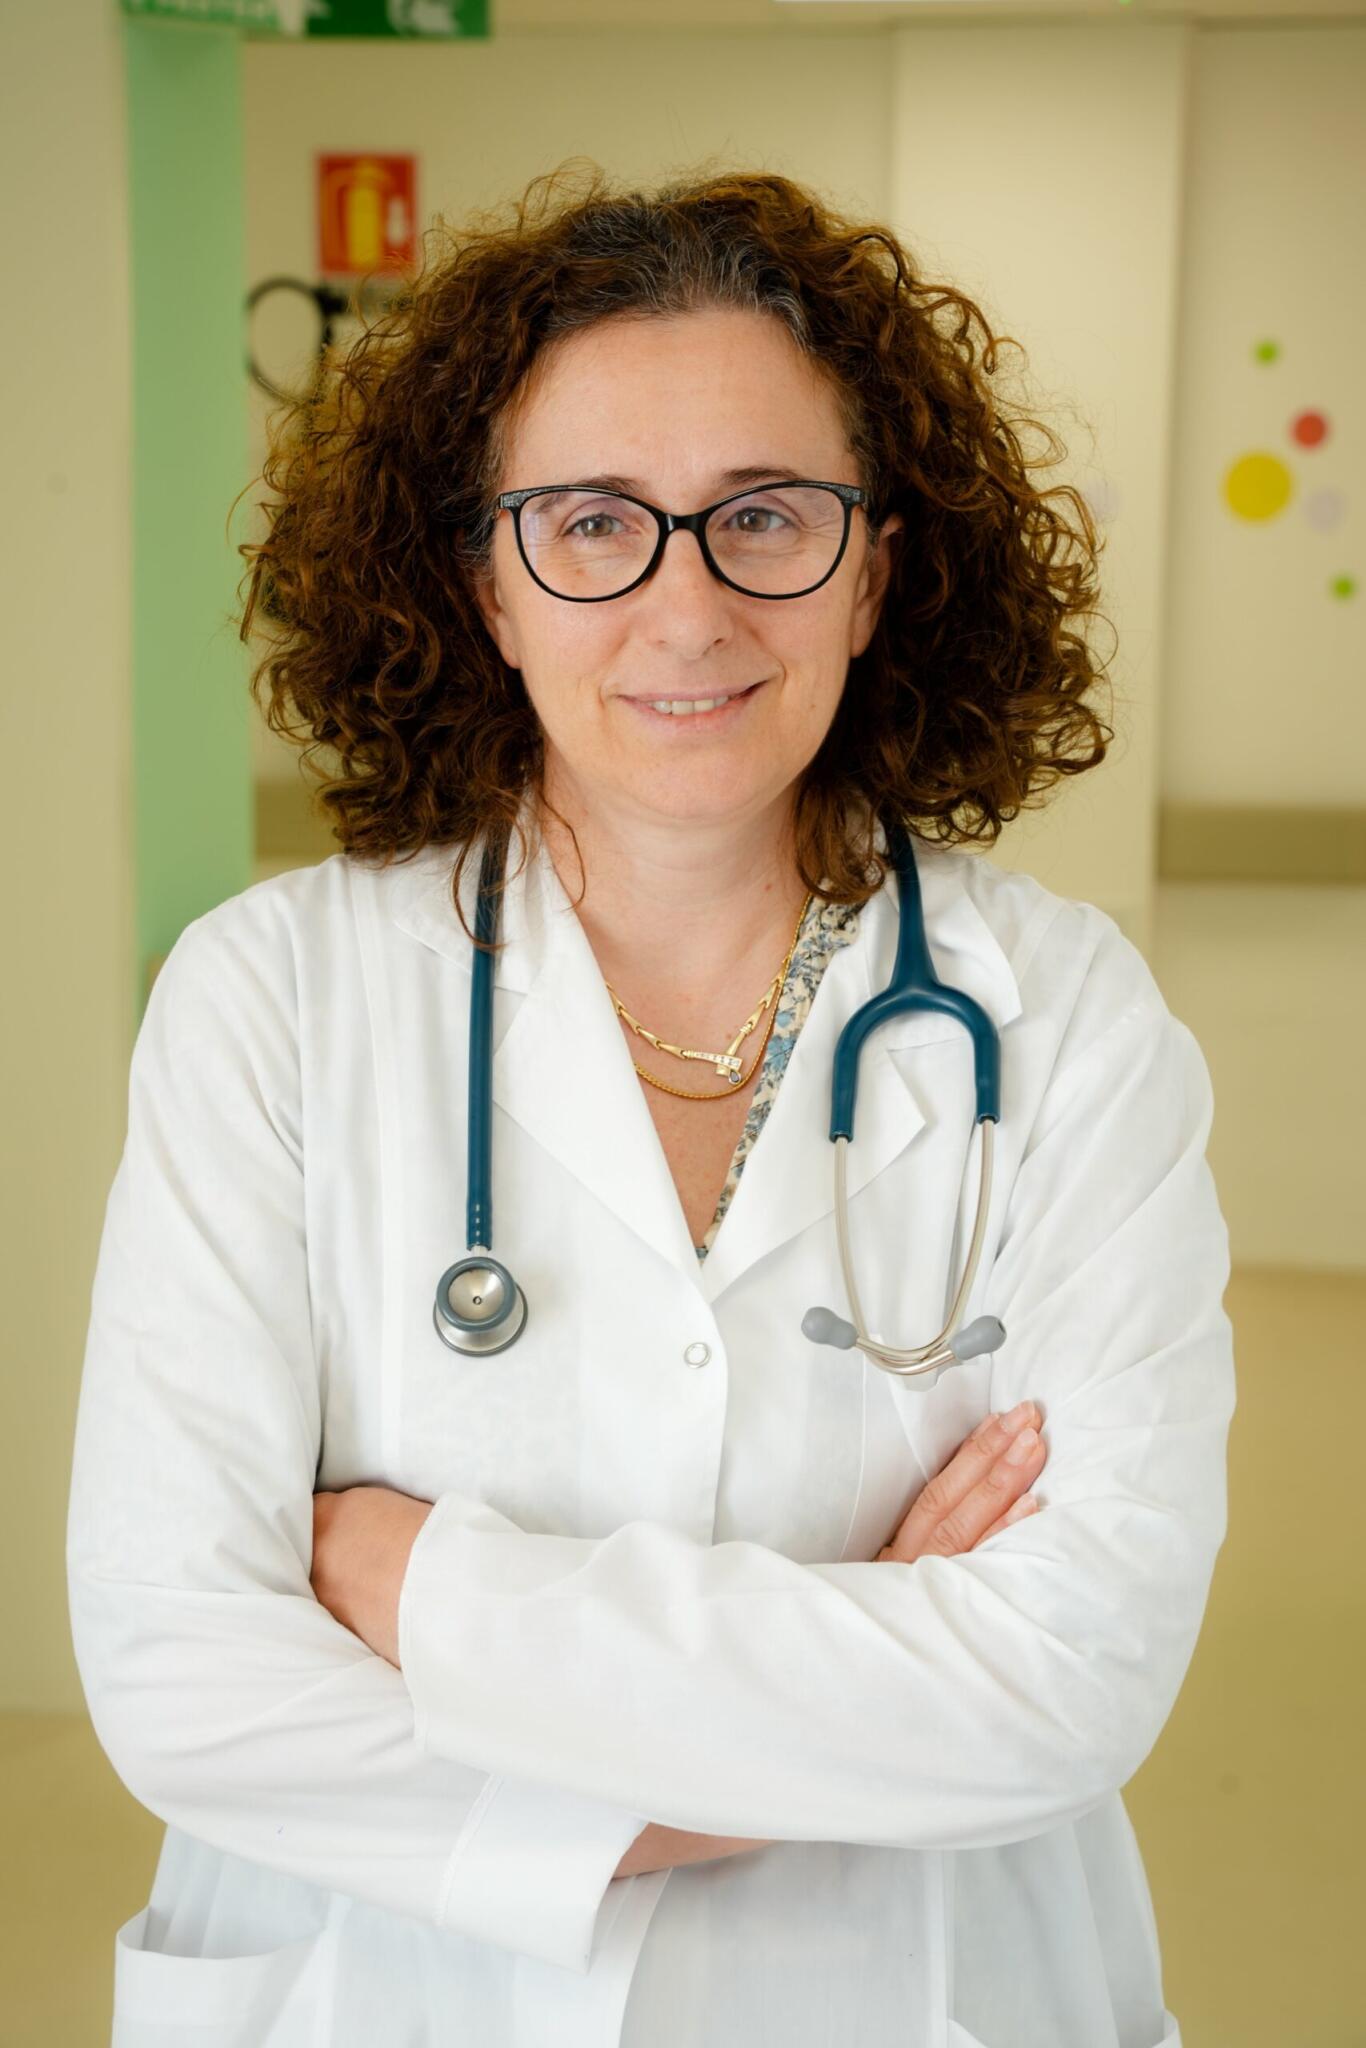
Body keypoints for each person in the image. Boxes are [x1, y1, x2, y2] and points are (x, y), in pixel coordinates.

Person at [67, 163, 1235, 2048]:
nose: (684, 607)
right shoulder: (273, 996)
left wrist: (425, 1589)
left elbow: (1070, 1682)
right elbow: (185, 1681)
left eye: (763, 515)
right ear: (485, 583)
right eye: (592, 522)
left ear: (872, 569)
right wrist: (809, 1721)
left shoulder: (1065, 1015)